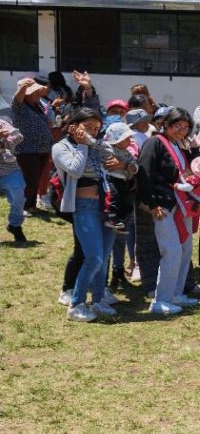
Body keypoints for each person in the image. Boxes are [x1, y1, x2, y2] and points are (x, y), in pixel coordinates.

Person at [54, 108, 126, 321]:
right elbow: (74, 170)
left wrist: (125, 164)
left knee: (102, 258)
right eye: (88, 127)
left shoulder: (96, 145)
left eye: (96, 128)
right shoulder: (61, 147)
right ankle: (76, 304)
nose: (93, 132)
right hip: (82, 206)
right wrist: (84, 144)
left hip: (105, 206)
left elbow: (120, 155)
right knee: (93, 257)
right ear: (74, 126)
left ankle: (97, 301)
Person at [135, 107, 200, 315]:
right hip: (163, 205)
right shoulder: (154, 142)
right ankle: (160, 299)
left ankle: (176, 293)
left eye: (186, 127)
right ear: (166, 125)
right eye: (177, 126)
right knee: (171, 250)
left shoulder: (179, 145)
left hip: (181, 204)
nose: (181, 130)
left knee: (185, 249)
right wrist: (152, 204)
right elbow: (144, 173)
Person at [11, 77, 55, 217]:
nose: (37, 94)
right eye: (33, 92)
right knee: (29, 179)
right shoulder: (19, 107)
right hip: (27, 150)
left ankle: (31, 205)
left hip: (42, 150)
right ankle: (23, 207)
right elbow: (16, 100)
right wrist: (23, 88)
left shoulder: (38, 105)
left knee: (35, 179)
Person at [95, 122, 138, 233]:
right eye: (126, 138)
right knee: (113, 197)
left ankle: (122, 222)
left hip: (123, 180)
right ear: (116, 139)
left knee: (127, 202)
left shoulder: (128, 153)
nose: (129, 141)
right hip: (110, 178)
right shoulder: (106, 148)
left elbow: (135, 165)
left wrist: (130, 167)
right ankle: (112, 219)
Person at [0, 117, 27, 242]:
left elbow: (18, 135)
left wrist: (5, 141)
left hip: (9, 168)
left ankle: (15, 225)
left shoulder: (1, 123)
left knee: (19, 196)